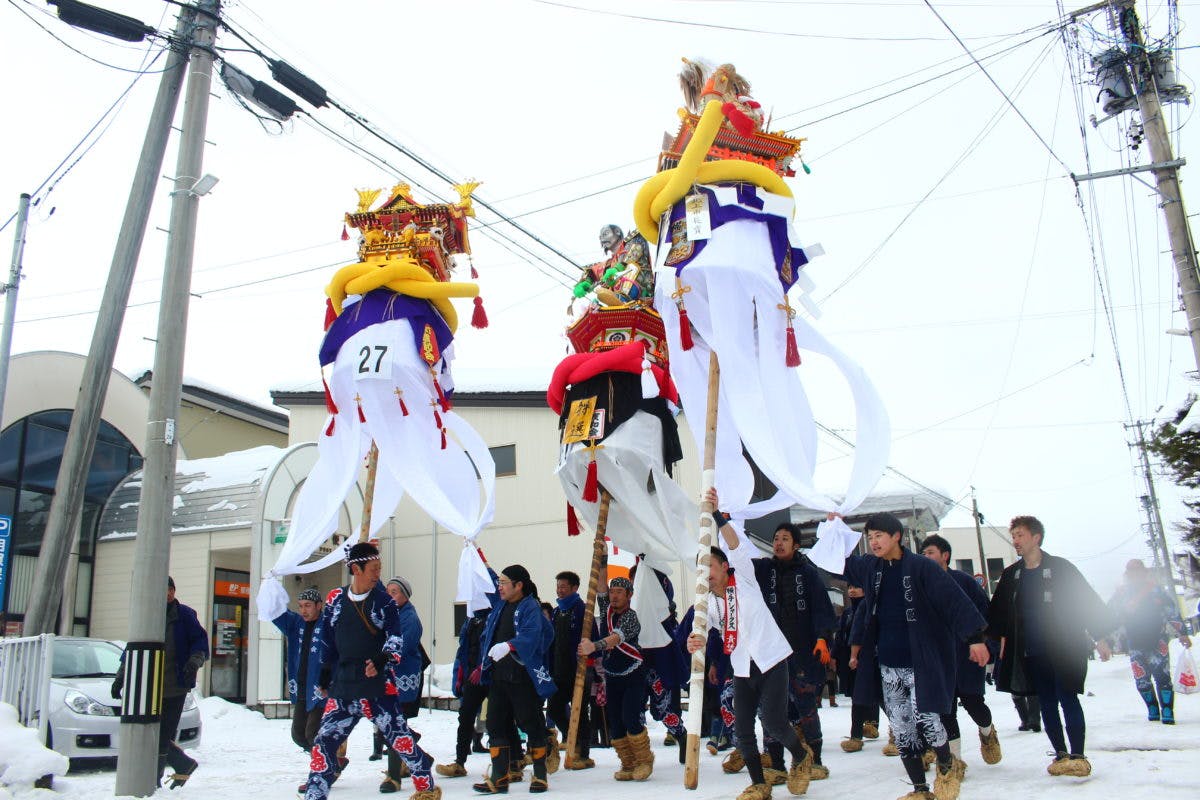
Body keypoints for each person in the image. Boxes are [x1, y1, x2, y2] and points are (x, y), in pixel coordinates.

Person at [848, 513, 990, 800]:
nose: (873, 542)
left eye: (879, 536)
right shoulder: (872, 569)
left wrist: (974, 639)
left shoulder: (922, 567)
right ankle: (920, 789)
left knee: (929, 721)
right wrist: (832, 527)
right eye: (870, 537)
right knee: (902, 729)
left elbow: (953, 601)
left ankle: (947, 768)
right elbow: (842, 563)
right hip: (889, 664)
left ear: (896, 536)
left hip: (921, 661)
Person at [688, 490, 812, 800]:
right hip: (743, 666)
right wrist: (695, 640)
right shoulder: (707, 604)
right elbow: (699, 630)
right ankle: (759, 784)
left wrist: (718, 517)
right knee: (742, 727)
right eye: (701, 571)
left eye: (710, 568)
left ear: (722, 567)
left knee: (773, 721)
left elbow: (735, 545)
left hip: (771, 659)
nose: (706, 575)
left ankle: (801, 754)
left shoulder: (742, 578)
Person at [304, 543, 439, 800]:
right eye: (373, 569)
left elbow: (396, 638)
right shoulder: (334, 599)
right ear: (356, 569)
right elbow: (328, 640)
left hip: (377, 686)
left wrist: (381, 659)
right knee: (323, 744)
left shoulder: (384, 602)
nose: (378, 574)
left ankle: (425, 787)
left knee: (400, 741)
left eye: (380, 568)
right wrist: (325, 671)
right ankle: (315, 795)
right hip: (343, 686)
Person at [986, 515, 1116, 778]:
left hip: (1064, 645)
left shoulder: (1061, 568)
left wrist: (1100, 636)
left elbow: (1084, 599)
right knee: (1045, 701)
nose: (1016, 542)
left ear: (1036, 537)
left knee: (1067, 696)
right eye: (1014, 537)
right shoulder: (1012, 575)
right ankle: (1060, 754)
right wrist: (999, 642)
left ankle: (1078, 755)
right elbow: (998, 613)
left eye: (1020, 535)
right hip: (1031, 648)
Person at [753, 522, 836, 780]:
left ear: (796, 545)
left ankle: (816, 761)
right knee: (770, 710)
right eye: (776, 538)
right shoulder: (764, 570)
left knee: (806, 707)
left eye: (785, 539)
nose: (778, 543)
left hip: (802, 652)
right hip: (771, 653)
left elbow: (822, 608)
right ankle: (775, 764)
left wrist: (823, 638)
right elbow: (737, 562)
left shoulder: (808, 573)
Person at [113, 576, 208, 789]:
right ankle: (181, 765)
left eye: (168, 590)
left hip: (175, 684)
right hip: (147, 686)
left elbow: (200, 641)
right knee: (150, 733)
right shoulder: (146, 615)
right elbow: (133, 647)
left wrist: (195, 661)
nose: (164, 594)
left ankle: (157, 779)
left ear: (173, 591)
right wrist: (121, 676)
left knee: (163, 733)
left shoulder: (184, 615)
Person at [919, 535, 1002, 772]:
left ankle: (987, 731)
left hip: (967, 653)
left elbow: (985, 615)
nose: (926, 557)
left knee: (973, 701)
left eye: (931, 552)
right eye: (923, 554)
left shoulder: (964, 582)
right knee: (946, 709)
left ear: (945, 555)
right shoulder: (921, 585)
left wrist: (986, 644)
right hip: (939, 655)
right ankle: (955, 761)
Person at [474, 565, 557, 794]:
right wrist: (476, 553)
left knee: (530, 723)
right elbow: (488, 579)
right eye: (499, 582)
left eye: (504, 582)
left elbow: (532, 636)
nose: (500, 587)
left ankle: (540, 774)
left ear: (518, 585)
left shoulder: (531, 607)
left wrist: (510, 645)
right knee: (495, 723)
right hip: (499, 676)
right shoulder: (501, 605)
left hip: (522, 677)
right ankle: (500, 776)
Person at [578, 570, 655, 782]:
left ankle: (644, 760)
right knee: (615, 721)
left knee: (630, 716)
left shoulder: (631, 617)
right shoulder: (606, 612)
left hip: (632, 674)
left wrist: (593, 646)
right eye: (613, 591)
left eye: (619, 591)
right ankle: (628, 763)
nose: (614, 595)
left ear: (629, 594)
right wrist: (602, 556)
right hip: (612, 676)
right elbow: (600, 586)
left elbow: (615, 638)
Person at [1108, 558, 1192, 724]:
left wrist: (1182, 632)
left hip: (1157, 640)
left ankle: (1167, 711)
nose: (1135, 575)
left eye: (1138, 572)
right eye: (1131, 572)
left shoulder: (1156, 590)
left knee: (1162, 677)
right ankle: (1152, 708)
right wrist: (1104, 636)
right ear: (1127, 575)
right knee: (1142, 680)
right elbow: (1110, 615)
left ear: (1144, 573)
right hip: (1134, 642)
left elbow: (1171, 611)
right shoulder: (1121, 594)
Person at [437, 571, 499, 779]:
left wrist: (483, 667)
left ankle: (510, 760)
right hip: (472, 677)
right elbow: (462, 650)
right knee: (465, 718)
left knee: (499, 719)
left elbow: (493, 645)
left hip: (492, 676)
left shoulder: (494, 616)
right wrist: (459, 675)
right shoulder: (470, 621)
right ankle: (460, 761)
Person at [376, 576, 433, 794]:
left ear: (405, 595)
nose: (390, 595)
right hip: (386, 678)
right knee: (390, 726)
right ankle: (420, 756)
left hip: (404, 680)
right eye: (388, 591)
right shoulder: (392, 614)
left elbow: (400, 647)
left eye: (395, 592)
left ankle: (393, 777)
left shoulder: (410, 618)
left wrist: (380, 656)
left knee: (392, 726)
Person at [269, 586, 325, 793]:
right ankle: (330, 763)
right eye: (301, 606)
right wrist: (269, 588)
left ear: (319, 606)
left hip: (322, 689)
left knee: (313, 734)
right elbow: (274, 613)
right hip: (302, 688)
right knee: (298, 734)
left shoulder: (328, 624)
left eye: (308, 606)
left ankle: (319, 776)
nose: (304, 610)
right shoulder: (295, 624)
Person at [547, 570, 594, 770]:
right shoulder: (557, 612)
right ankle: (571, 737)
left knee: (581, 711)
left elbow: (593, 639)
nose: (560, 590)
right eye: (558, 586)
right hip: (559, 671)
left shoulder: (583, 610)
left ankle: (583, 753)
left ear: (574, 588)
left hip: (579, 671)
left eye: (563, 587)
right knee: (555, 709)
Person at [833, 556, 880, 753]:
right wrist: (845, 656)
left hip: (878, 656)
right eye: (850, 586)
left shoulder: (872, 602)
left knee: (886, 697)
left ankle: (891, 732)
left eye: (856, 586)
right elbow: (851, 634)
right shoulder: (850, 611)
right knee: (859, 696)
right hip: (861, 659)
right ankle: (856, 734)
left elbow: (858, 633)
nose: (852, 590)